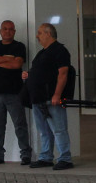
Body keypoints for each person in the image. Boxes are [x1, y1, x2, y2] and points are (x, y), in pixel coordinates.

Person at [23, 23, 73, 170]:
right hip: (38, 98)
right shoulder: (41, 53)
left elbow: (63, 74)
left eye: (40, 33)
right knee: (43, 130)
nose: (37, 36)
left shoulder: (60, 51)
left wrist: (57, 94)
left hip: (51, 98)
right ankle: (46, 157)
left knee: (58, 129)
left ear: (48, 34)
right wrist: (29, 75)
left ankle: (65, 158)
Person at [0, 20, 32, 166]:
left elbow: (17, 64)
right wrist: (7, 59)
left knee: (20, 124)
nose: (7, 31)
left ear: (14, 31)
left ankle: (25, 154)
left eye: (11, 29)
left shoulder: (19, 46)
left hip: (15, 93)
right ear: (0, 31)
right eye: (5, 29)